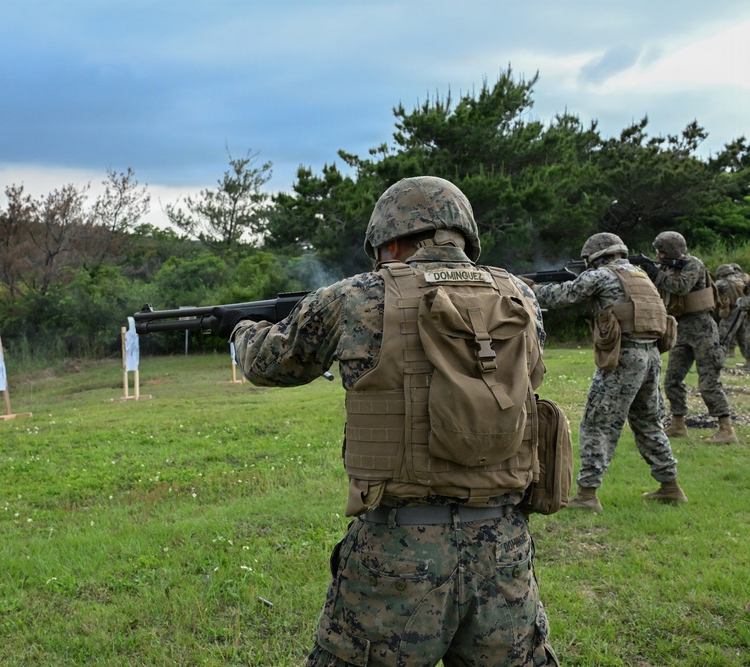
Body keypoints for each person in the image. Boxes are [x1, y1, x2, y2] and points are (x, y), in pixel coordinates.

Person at [215, 177, 558, 667]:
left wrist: (241, 329)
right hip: (504, 548)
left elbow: (270, 364)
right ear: (463, 235)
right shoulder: (520, 294)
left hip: (396, 553)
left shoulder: (354, 297)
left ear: (391, 240)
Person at [527, 233, 687, 512]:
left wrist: (528, 289)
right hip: (650, 355)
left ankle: (587, 495)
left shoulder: (603, 274)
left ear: (597, 256)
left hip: (623, 357)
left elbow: (565, 295)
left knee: (596, 422)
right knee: (648, 422)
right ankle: (670, 486)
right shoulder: (640, 275)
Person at [634, 232, 738, 444]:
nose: (659, 255)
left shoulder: (693, 265)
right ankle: (679, 424)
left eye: (662, 251)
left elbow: (680, 286)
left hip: (702, 329)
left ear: (672, 250)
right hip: (681, 329)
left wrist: (654, 271)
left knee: (708, 381)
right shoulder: (667, 267)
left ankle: (726, 429)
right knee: (672, 380)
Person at [715, 263, 750, 361]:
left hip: (732, 311)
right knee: (743, 337)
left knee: (723, 335)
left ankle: (719, 358)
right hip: (743, 311)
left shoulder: (722, 283)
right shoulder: (741, 280)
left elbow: (711, 289)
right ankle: (748, 362)